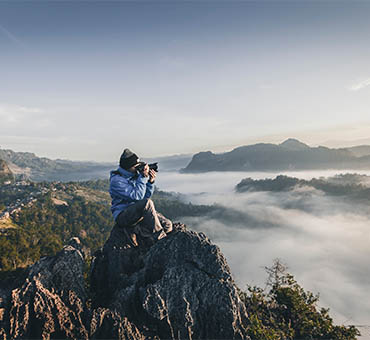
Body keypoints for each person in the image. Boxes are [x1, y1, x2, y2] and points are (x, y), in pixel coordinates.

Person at [109, 148, 173, 246]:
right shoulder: (117, 181)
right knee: (148, 203)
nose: (138, 169)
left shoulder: (134, 176)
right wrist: (142, 177)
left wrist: (150, 182)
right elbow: (137, 197)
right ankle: (160, 241)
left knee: (167, 225)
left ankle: (142, 233)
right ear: (128, 167)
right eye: (136, 166)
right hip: (123, 215)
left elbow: (145, 196)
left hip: (137, 212)